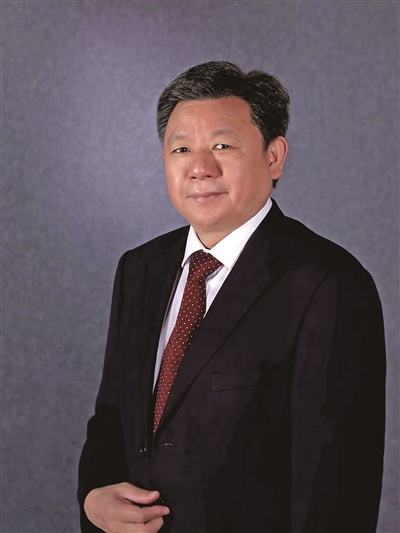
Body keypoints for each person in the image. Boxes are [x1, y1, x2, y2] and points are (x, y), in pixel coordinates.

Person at [77, 61, 386, 533]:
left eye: (223, 145)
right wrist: (94, 497)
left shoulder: (328, 284)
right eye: (181, 148)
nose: (200, 168)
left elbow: (337, 490)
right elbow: (113, 418)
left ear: (273, 156)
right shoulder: (140, 269)